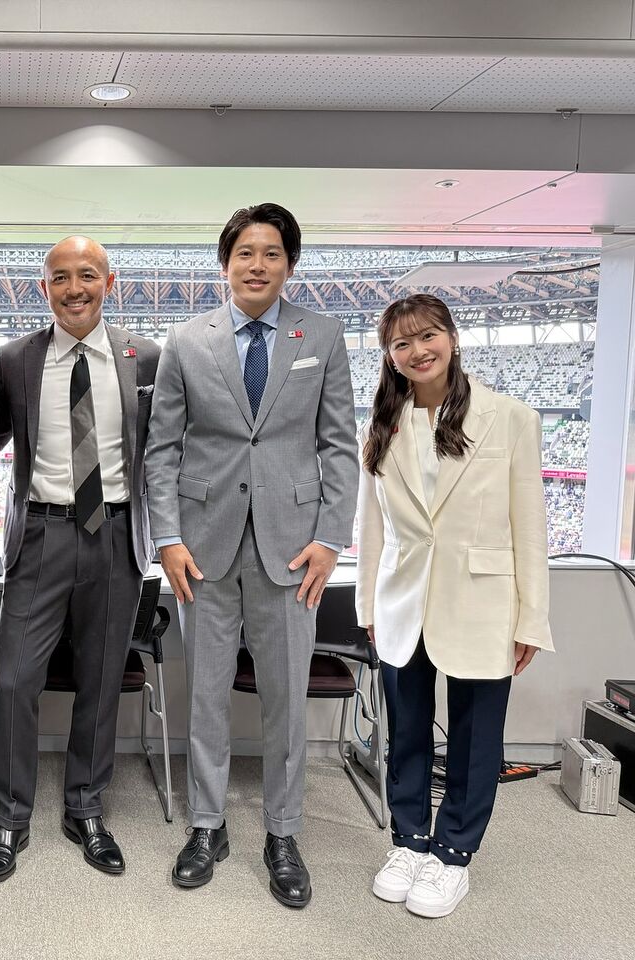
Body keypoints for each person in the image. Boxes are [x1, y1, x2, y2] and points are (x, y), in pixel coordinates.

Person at [145, 202, 358, 908]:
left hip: (293, 550)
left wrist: (330, 538)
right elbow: (162, 449)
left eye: (271, 254)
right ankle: (206, 826)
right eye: (245, 253)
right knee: (205, 693)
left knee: (285, 701)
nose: (257, 265)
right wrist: (167, 538)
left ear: (289, 265)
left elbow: (338, 445)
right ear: (225, 263)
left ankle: (283, 833)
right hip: (202, 547)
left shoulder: (321, 335)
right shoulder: (187, 339)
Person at [355, 293, 552, 918]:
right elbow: (371, 526)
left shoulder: (511, 418)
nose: (418, 351)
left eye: (428, 335)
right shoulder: (381, 425)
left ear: (453, 337)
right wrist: (368, 605)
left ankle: (453, 853)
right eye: (402, 343)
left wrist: (531, 616)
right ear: (390, 356)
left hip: (483, 600)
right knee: (407, 730)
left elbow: (531, 526)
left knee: (474, 736)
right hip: (401, 601)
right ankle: (409, 841)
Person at [0, 236, 159, 882]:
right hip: (41, 533)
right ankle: (9, 818)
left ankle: (86, 808)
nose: (74, 288)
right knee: (13, 681)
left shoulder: (147, 357)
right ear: (44, 288)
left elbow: (164, 451)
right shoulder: (16, 359)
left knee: (102, 681)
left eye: (87, 276)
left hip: (115, 533)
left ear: (110, 284)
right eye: (60, 277)